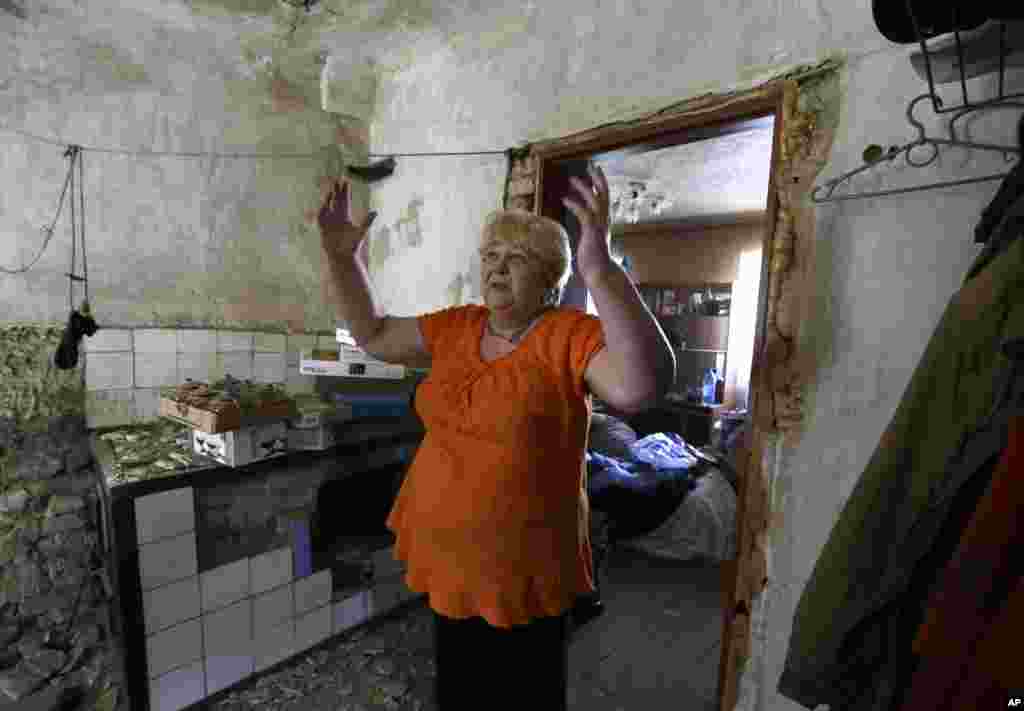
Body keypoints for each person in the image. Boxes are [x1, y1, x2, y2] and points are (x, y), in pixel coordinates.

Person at [317, 162, 676, 709]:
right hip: (451, 557)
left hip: (524, 567)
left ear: (553, 279)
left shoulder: (567, 334)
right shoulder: (458, 326)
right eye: (490, 257)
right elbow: (372, 333)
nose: (497, 271)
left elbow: (640, 387)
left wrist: (600, 270)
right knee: (460, 687)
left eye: (518, 260)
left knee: (523, 691)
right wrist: (342, 259)